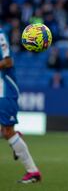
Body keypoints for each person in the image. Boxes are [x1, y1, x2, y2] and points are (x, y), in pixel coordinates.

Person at [0, 27, 41, 183]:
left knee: (7, 131)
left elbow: (8, 61)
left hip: (5, 90)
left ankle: (33, 172)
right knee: (7, 132)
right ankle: (16, 139)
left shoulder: (0, 35)